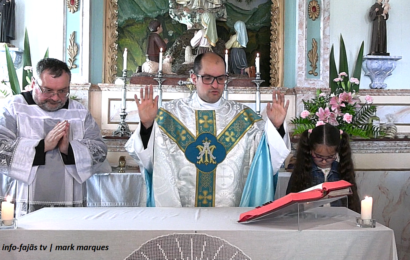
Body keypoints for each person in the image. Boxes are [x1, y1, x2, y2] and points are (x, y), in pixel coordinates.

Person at [125, 52, 291, 207]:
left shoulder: (245, 119)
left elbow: (266, 162)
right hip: (179, 215)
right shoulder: (168, 116)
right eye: (207, 78)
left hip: (229, 216)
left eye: (221, 78)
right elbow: (146, 159)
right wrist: (147, 125)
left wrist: (276, 126)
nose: (215, 85)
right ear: (193, 78)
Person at [0, 58, 110, 218]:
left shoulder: (78, 112)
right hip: (23, 201)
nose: (56, 98)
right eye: (48, 90)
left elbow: (99, 150)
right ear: (33, 84)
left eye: (63, 91)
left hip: (70, 204)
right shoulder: (14, 108)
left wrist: (69, 149)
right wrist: (42, 146)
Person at [285, 124, 360, 213]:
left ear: (337, 152)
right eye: (318, 156)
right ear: (310, 150)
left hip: (337, 221)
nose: (324, 161)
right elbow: (289, 205)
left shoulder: (341, 170)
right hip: (309, 221)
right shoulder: (303, 171)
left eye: (330, 157)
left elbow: (351, 203)